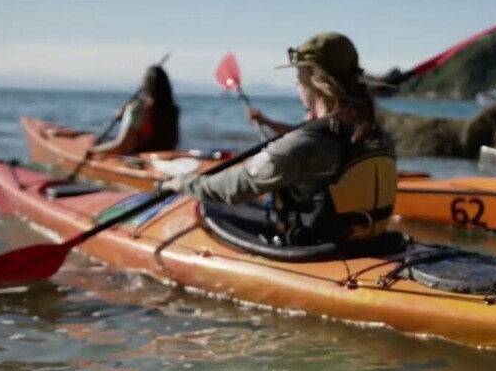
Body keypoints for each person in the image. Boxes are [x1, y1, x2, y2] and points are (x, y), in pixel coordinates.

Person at [160, 32, 398, 245]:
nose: (296, 82)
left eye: (299, 74)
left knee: (217, 207)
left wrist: (182, 183)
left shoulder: (304, 144)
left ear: (315, 79)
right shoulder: (377, 134)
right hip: (367, 243)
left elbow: (233, 189)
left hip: (313, 252)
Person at [89, 65, 180, 155]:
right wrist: (125, 117)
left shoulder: (137, 108)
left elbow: (122, 147)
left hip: (140, 158)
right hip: (163, 156)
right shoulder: (173, 110)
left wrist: (93, 150)